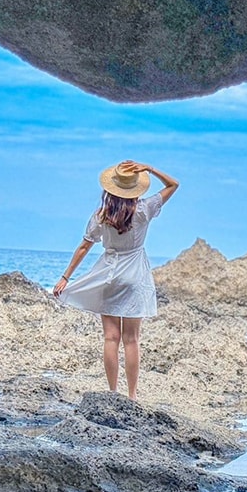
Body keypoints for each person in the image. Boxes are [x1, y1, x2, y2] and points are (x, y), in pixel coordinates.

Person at [53, 160, 179, 399]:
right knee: (132, 340)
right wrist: (150, 169)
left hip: (109, 275)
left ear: (110, 188)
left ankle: (112, 392)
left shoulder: (102, 215)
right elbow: (174, 184)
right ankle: (132, 395)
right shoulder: (144, 210)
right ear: (135, 189)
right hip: (135, 275)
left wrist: (65, 277)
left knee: (111, 337)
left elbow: (84, 246)